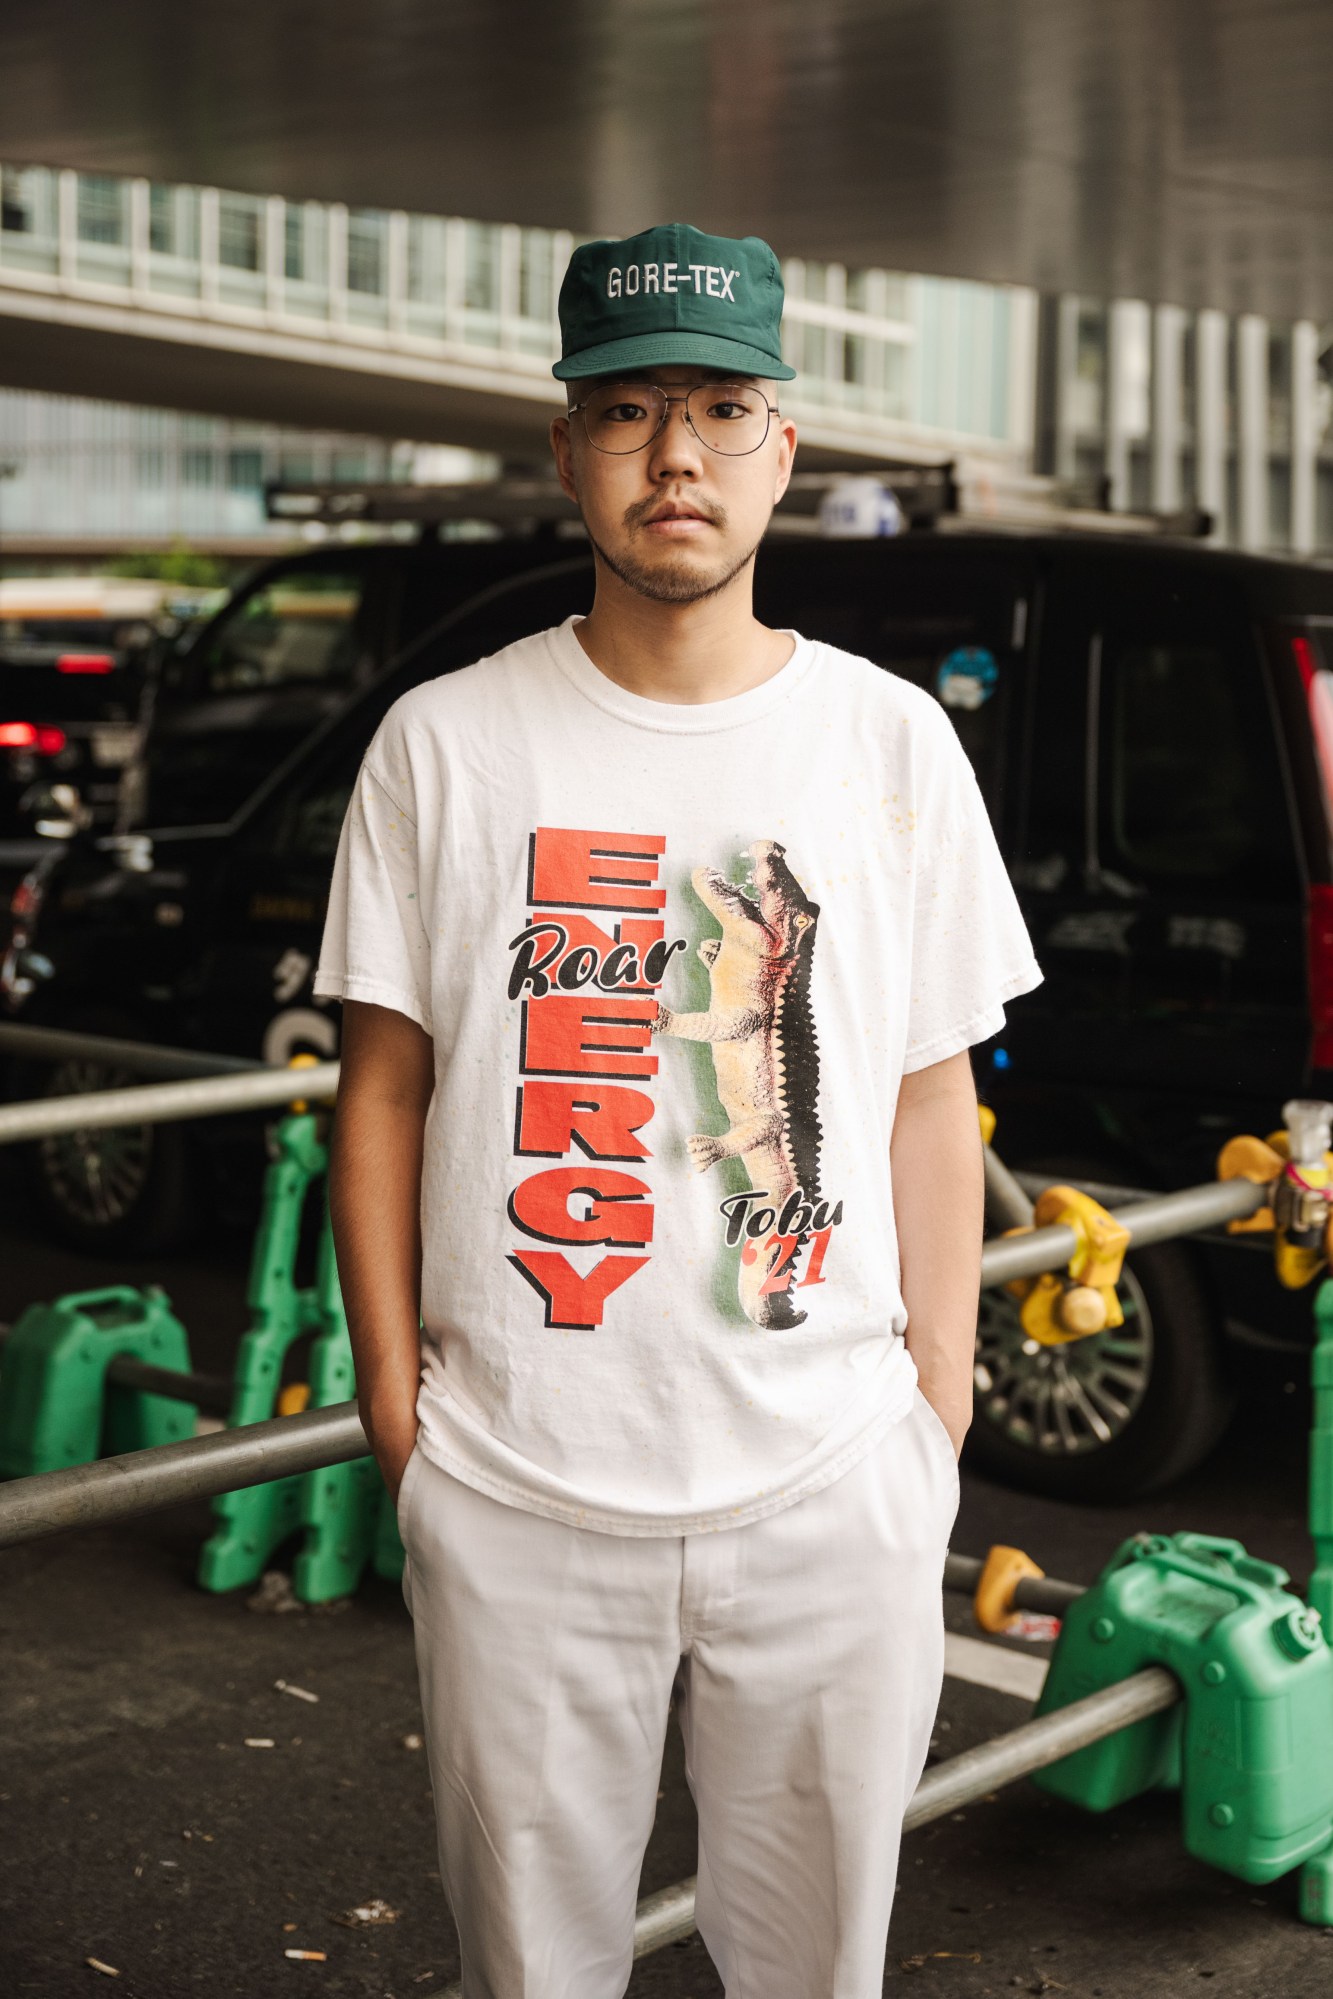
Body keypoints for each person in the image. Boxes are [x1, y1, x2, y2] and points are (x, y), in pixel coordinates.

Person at [316, 220, 1042, 1998]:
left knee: (814, 1971)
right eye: (627, 411)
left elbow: (930, 1096)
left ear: (782, 446)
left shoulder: (886, 745)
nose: (675, 457)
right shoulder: (445, 741)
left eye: (721, 408)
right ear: (564, 449)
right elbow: (380, 1093)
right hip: (515, 1487)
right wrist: (405, 1427)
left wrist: (928, 1418)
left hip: (829, 1480)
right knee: (530, 1972)